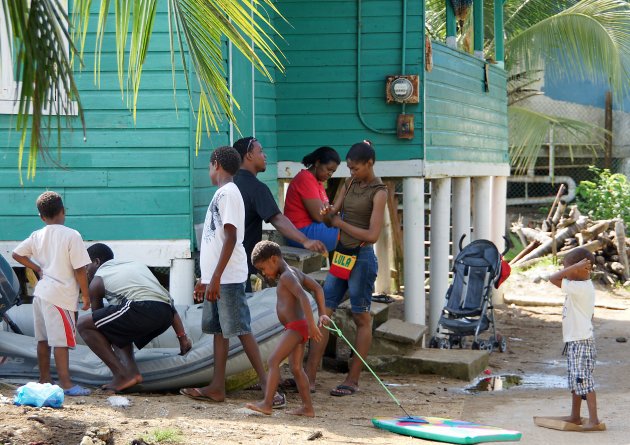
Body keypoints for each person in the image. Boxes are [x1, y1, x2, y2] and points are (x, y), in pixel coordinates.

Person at [180, 146, 284, 407]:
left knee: (240, 328)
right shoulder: (222, 193)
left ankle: (267, 385)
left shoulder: (228, 193)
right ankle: (217, 386)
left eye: (208, 165)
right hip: (217, 276)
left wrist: (214, 278)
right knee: (219, 331)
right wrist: (206, 277)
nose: (208, 170)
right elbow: (214, 240)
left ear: (215, 164)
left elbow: (231, 237)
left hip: (227, 277)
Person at [304, 141, 387, 396]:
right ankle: (309, 377)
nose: (352, 172)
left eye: (356, 168)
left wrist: (340, 223)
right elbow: (331, 219)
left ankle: (352, 379)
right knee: (323, 313)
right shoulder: (348, 183)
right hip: (341, 256)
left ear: (370, 164)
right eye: (349, 168)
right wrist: (328, 214)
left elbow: (373, 235)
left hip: (362, 257)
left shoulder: (379, 191)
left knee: (361, 316)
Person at [77, 243, 192, 392]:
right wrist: (183, 339)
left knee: (83, 324)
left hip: (142, 308)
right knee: (116, 327)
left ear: (97, 262)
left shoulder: (98, 280)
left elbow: (97, 323)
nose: (86, 272)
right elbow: (169, 304)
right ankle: (132, 374)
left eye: (87, 266)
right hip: (165, 314)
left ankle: (121, 375)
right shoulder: (134, 266)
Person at [12, 191, 92, 396]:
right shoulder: (72, 235)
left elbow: (17, 254)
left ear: (41, 216)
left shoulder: (37, 235)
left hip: (41, 294)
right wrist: (86, 295)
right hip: (60, 296)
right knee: (61, 342)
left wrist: (37, 268)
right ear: (63, 211)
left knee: (42, 340)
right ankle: (66, 383)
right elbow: (80, 269)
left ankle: (44, 378)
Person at [233, 137, 327, 292]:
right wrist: (305, 241)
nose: (265, 156)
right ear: (249, 156)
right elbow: (277, 218)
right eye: (260, 151)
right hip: (239, 269)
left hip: (222, 265)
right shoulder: (257, 188)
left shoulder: (229, 184)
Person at [245, 241, 327, 417]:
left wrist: (313, 325)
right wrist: (321, 314)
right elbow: (318, 288)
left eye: (263, 268)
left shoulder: (286, 277)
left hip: (296, 327)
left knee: (273, 361)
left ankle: (267, 403)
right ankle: (307, 408)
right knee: (296, 368)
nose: (264, 274)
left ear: (273, 259)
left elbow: (304, 297)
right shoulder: (294, 272)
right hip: (298, 326)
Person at [549, 248, 605, 431]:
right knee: (575, 380)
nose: (567, 272)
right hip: (576, 340)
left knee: (584, 380)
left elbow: (552, 278)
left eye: (570, 268)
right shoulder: (578, 286)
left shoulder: (581, 288)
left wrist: (573, 267)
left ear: (584, 269)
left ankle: (594, 420)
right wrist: (573, 267)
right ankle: (575, 416)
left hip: (582, 341)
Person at [284, 146, 341, 252]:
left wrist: (332, 212)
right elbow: (319, 216)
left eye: (333, 171)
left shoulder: (318, 182)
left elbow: (327, 212)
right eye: (328, 169)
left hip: (313, 229)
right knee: (352, 223)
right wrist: (334, 213)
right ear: (318, 162)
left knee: (353, 222)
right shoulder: (305, 178)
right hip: (301, 233)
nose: (330, 174)